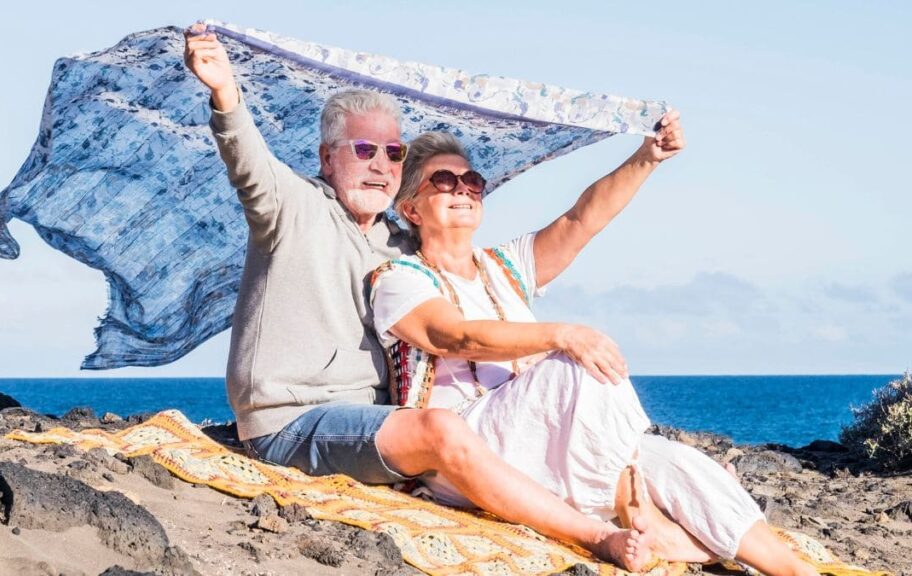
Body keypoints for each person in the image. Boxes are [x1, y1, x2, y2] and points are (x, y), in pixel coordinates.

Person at [184, 24, 667, 569]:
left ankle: (659, 524)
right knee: (442, 428)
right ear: (326, 159)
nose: (380, 165)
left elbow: (575, 225)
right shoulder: (292, 208)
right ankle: (595, 536)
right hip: (291, 422)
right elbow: (248, 163)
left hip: (373, 424)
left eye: (393, 153)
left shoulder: (399, 244)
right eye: (363, 150)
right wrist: (225, 93)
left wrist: (646, 156)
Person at [368, 129, 819, 575]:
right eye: (444, 181)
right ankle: (639, 514)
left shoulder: (503, 267)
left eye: (473, 181)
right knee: (575, 365)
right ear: (410, 208)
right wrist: (563, 335)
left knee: (678, 463)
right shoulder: (399, 278)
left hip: (538, 438)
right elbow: (452, 336)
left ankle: (792, 570)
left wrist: (648, 157)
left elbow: (581, 220)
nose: (463, 189)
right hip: (463, 450)